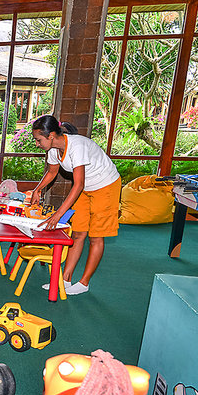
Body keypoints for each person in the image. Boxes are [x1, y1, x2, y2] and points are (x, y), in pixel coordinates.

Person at [29, 115, 121, 296]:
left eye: (39, 140)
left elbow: (77, 184)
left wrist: (58, 214)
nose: (37, 144)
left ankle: (84, 282)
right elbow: (52, 172)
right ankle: (65, 279)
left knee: (96, 236)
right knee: (78, 233)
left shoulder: (77, 146)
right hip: (85, 187)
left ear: (51, 135)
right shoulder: (54, 149)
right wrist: (37, 190)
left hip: (106, 185)